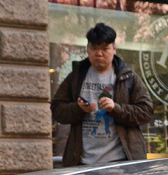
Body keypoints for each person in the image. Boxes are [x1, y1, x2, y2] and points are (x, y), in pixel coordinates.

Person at [51, 24, 154, 166]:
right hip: (82, 163)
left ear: (114, 49)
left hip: (121, 163)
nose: (99, 53)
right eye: (94, 48)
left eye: (105, 49)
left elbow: (146, 112)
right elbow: (57, 109)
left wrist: (116, 108)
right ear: (88, 48)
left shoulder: (128, 77)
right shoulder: (76, 76)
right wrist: (79, 109)